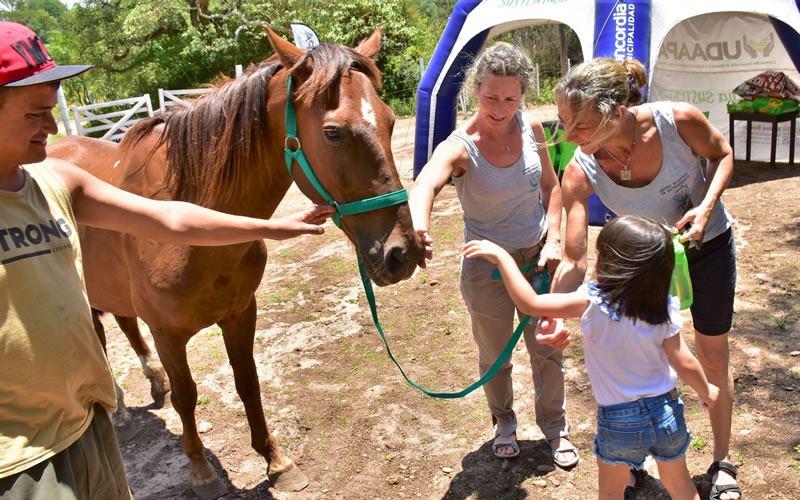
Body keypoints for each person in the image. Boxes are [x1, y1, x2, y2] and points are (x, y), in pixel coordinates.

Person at [0, 21, 334, 499]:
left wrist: (273, 227)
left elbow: (169, 220)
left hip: (87, 421)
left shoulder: (55, 181)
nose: (53, 128)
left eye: (51, 112)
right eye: (36, 114)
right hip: (16, 455)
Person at [550, 57, 740, 500]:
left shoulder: (678, 121)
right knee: (633, 360)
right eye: (563, 122)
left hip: (705, 246)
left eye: (580, 125)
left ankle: (722, 460)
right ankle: (630, 462)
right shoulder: (580, 168)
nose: (569, 137)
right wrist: (556, 312)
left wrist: (707, 204)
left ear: (616, 113)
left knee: (712, 357)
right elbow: (575, 256)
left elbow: (723, 154)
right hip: (642, 265)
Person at [463, 215, 720, 500]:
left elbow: (531, 303)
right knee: (682, 487)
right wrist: (706, 390)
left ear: (610, 262)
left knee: (611, 493)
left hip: (619, 420)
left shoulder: (594, 299)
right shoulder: (664, 306)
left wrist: (502, 258)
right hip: (666, 411)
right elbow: (683, 360)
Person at [408, 42, 579, 466]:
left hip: (537, 258)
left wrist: (554, 237)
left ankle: (555, 428)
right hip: (486, 269)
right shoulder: (460, 146)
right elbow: (426, 182)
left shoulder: (533, 129)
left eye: (510, 99)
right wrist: (418, 224)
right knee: (495, 352)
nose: (501, 108)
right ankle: (504, 422)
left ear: (522, 95)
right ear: (475, 89)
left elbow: (551, 188)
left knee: (548, 348)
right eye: (490, 98)